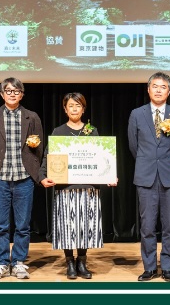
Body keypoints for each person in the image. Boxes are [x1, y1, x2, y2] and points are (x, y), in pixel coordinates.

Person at [40, 92, 117, 280]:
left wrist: (110, 175)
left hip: (88, 187)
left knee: (85, 226)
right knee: (67, 226)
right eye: (71, 106)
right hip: (65, 188)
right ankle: (69, 262)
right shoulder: (58, 132)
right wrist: (42, 176)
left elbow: (102, 157)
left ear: (83, 109)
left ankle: (82, 261)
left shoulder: (92, 131)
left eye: (78, 106)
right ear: (65, 109)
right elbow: (48, 157)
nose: (74, 109)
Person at [127, 71, 170, 282]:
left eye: (163, 87)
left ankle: (168, 267)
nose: (158, 90)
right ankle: (150, 267)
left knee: (169, 225)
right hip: (145, 176)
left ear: (169, 92)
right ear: (148, 89)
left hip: (169, 176)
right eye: (155, 86)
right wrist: (148, 161)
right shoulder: (137, 114)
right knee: (147, 226)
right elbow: (133, 145)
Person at [0, 77, 44, 280]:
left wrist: (35, 170)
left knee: (23, 225)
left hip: (24, 177)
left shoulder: (32, 116)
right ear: (2, 94)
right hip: (1, 177)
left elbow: (39, 146)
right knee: (0, 225)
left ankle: (18, 262)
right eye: (8, 91)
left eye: (16, 91)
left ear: (22, 95)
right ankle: (1, 262)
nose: (12, 94)